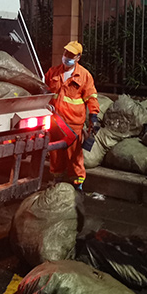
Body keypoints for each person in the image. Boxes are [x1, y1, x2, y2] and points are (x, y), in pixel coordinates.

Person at [44, 41, 100, 190]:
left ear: (78, 57)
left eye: (71, 55)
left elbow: (91, 98)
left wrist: (93, 117)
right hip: (55, 121)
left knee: (74, 156)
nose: (67, 57)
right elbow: (43, 90)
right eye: (66, 53)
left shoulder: (84, 76)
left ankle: (78, 184)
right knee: (56, 154)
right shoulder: (53, 72)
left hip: (73, 124)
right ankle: (57, 180)